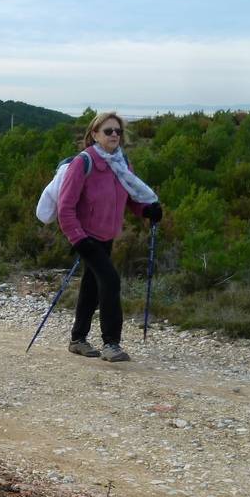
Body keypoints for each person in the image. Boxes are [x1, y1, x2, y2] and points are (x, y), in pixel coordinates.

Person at [57, 112, 163, 362]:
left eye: (118, 131)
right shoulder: (83, 163)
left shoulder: (121, 162)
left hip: (107, 235)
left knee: (92, 285)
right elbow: (65, 207)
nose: (114, 135)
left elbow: (128, 198)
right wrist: (78, 239)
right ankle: (111, 344)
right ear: (94, 134)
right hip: (85, 236)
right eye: (108, 131)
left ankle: (77, 339)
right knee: (110, 281)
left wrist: (147, 210)